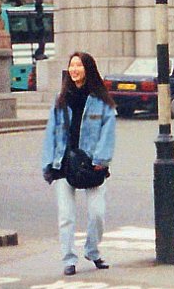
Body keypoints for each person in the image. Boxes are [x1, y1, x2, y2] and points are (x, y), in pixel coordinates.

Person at [41, 52, 118, 274]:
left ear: (88, 69)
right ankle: (69, 260)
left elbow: (108, 131)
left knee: (97, 213)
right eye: (72, 65)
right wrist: (48, 163)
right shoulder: (61, 97)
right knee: (66, 216)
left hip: (91, 164)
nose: (74, 69)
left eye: (79, 65)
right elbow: (51, 133)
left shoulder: (101, 100)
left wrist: (101, 160)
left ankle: (92, 250)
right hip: (63, 163)